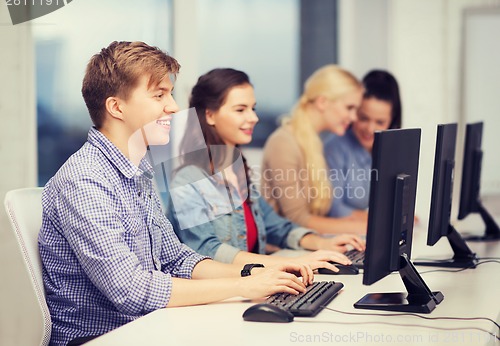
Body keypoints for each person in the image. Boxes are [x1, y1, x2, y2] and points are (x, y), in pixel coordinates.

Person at [38, 42, 316, 346]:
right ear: (116, 107)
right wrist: (242, 286)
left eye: (169, 94)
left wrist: (256, 273)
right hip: (103, 337)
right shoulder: (86, 180)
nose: (173, 106)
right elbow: (132, 290)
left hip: (148, 327)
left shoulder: (138, 170)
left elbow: (177, 259)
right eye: (159, 95)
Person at [167, 68, 365, 271]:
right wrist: (289, 264)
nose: (253, 118)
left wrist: (323, 243)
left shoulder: (238, 173)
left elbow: (278, 227)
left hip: (253, 287)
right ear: (209, 115)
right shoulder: (186, 181)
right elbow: (206, 250)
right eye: (240, 110)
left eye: (253, 108)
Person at [261, 65, 367, 235]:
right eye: (349, 108)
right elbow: (298, 220)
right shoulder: (283, 143)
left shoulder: (315, 143)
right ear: (322, 102)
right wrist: (370, 229)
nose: (354, 117)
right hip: (281, 252)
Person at [323, 69, 402, 218]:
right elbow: (333, 209)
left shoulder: (388, 150)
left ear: (392, 121)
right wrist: (382, 219)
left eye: (380, 122)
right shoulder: (335, 148)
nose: (370, 129)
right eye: (363, 118)